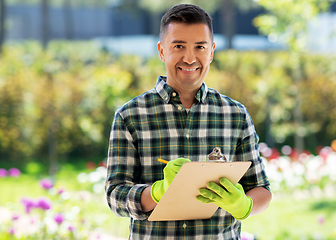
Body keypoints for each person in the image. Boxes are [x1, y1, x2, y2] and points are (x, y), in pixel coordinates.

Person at [105, 4, 271, 240]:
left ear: (211, 51)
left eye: (200, 47)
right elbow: (115, 195)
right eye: (178, 46)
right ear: (162, 50)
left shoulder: (236, 115)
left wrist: (243, 205)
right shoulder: (130, 115)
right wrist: (158, 191)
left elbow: (262, 190)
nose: (190, 58)